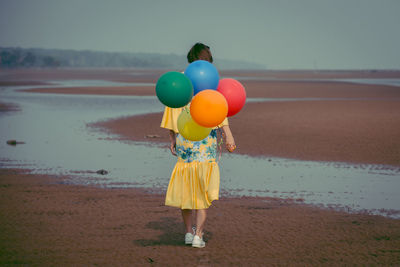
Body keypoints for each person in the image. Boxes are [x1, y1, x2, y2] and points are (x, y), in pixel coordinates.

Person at [160, 43, 236, 248]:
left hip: (185, 140)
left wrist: (172, 138)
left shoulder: (181, 80)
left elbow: (172, 108)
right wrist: (228, 135)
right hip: (205, 143)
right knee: (202, 190)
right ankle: (198, 236)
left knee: (187, 189)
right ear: (207, 60)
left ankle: (187, 233)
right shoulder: (209, 81)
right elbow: (217, 109)